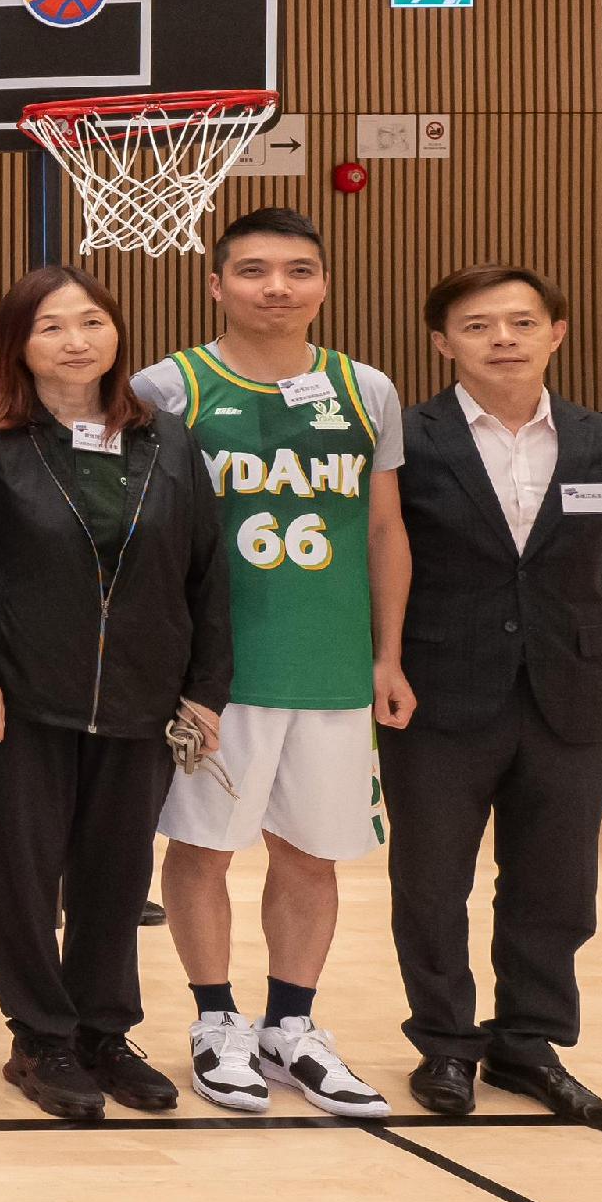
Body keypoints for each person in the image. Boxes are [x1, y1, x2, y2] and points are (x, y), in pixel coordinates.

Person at [0, 267, 230, 1121]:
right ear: (18, 344)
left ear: (117, 334)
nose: (76, 341)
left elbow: (207, 570)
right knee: (22, 872)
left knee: (117, 873)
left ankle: (104, 1031)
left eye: (92, 322)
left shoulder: (168, 439)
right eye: (51, 327)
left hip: (143, 693)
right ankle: (41, 1037)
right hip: (17, 695)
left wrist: (206, 687)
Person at [128, 208, 410, 1117]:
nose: (276, 287)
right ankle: (217, 1022)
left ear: (324, 284)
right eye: (253, 270)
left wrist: (388, 654)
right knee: (203, 847)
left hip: (329, 669)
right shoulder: (167, 387)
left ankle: (291, 1025)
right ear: (215, 285)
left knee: (310, 854)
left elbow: (382, 527)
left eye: (298, 270)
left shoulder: (366, 389)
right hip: (218, 675)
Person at [381, 267, 602, 1134]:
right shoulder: (406, 440)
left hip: (568, 689)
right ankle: (446, 1041)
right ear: (441, 341)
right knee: (431, 880)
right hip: (437, 689)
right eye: (477, 324)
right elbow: (386, 554)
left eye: (523, 321)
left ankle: (531, 1041)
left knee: (557, 883)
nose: (503, 337)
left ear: (557, 332)